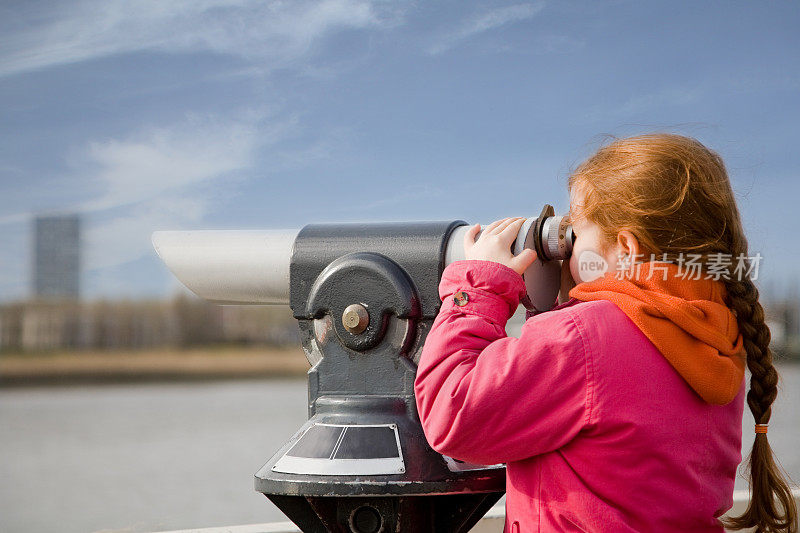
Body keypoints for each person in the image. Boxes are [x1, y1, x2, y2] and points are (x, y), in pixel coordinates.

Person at [413, 133, 797, 532]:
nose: (566, 249)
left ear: (626, 249)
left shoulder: (584, 339)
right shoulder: (718, 336)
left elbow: (453, 415)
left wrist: (480, 288)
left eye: (575, 234)